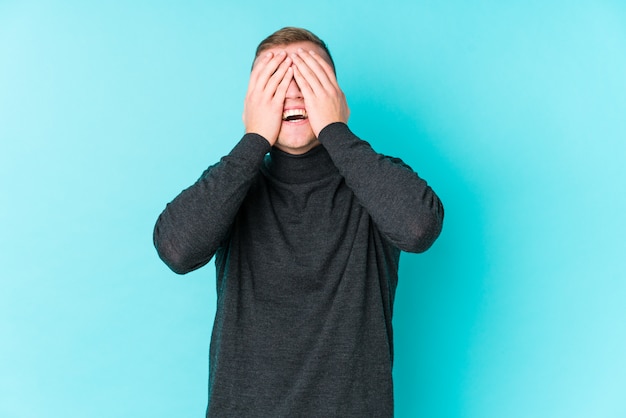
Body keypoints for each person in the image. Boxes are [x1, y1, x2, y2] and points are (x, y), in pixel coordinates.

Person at [153, 27, 444, 417]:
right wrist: (254, 137)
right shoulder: (230, 184)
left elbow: (418, 228)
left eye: (308, 79)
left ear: (335, 97)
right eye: (273, 83)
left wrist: (335, 129)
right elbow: (176, 250)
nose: (291, 93)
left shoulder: (376, 180)